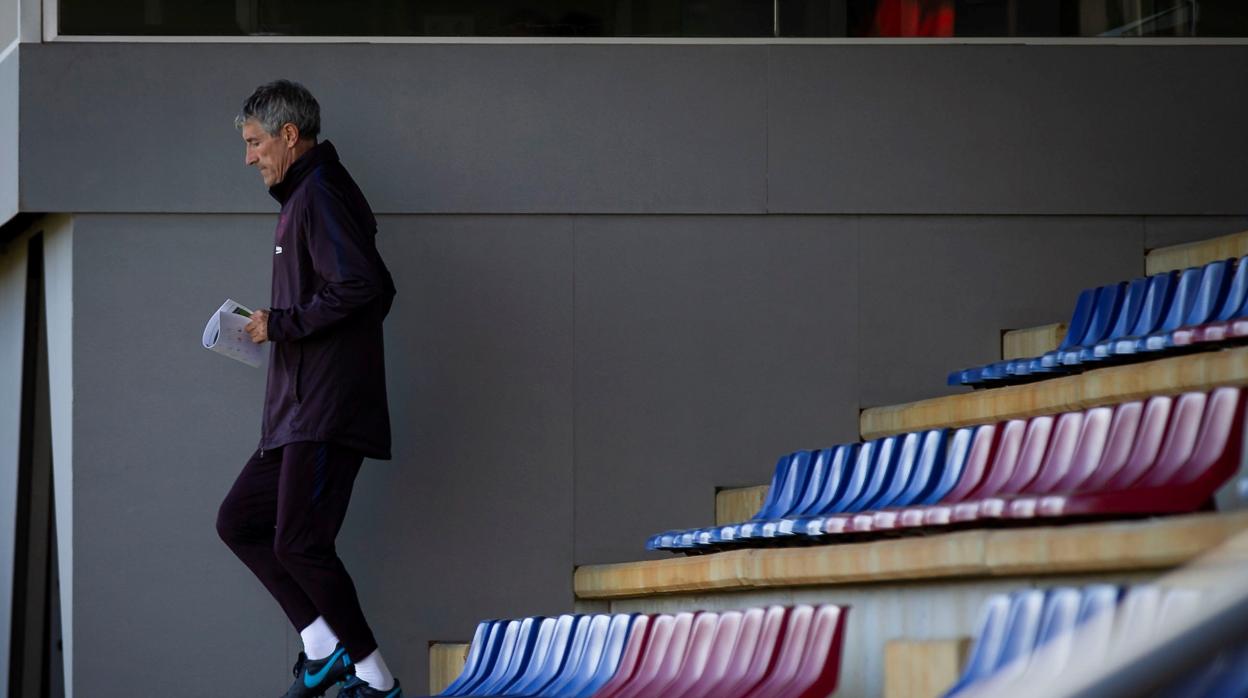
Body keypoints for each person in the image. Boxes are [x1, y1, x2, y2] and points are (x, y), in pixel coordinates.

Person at [215, 79, 402, 698]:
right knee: (241, 521)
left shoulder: (319, 193)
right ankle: (322, 647)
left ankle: (377, 682)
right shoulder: (304, 197)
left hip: (323, 410)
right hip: (295, 413)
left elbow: (367, 287)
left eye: (254, 142)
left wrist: (282, 324)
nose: (249, 157)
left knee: (299, 542)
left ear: (288, 136)